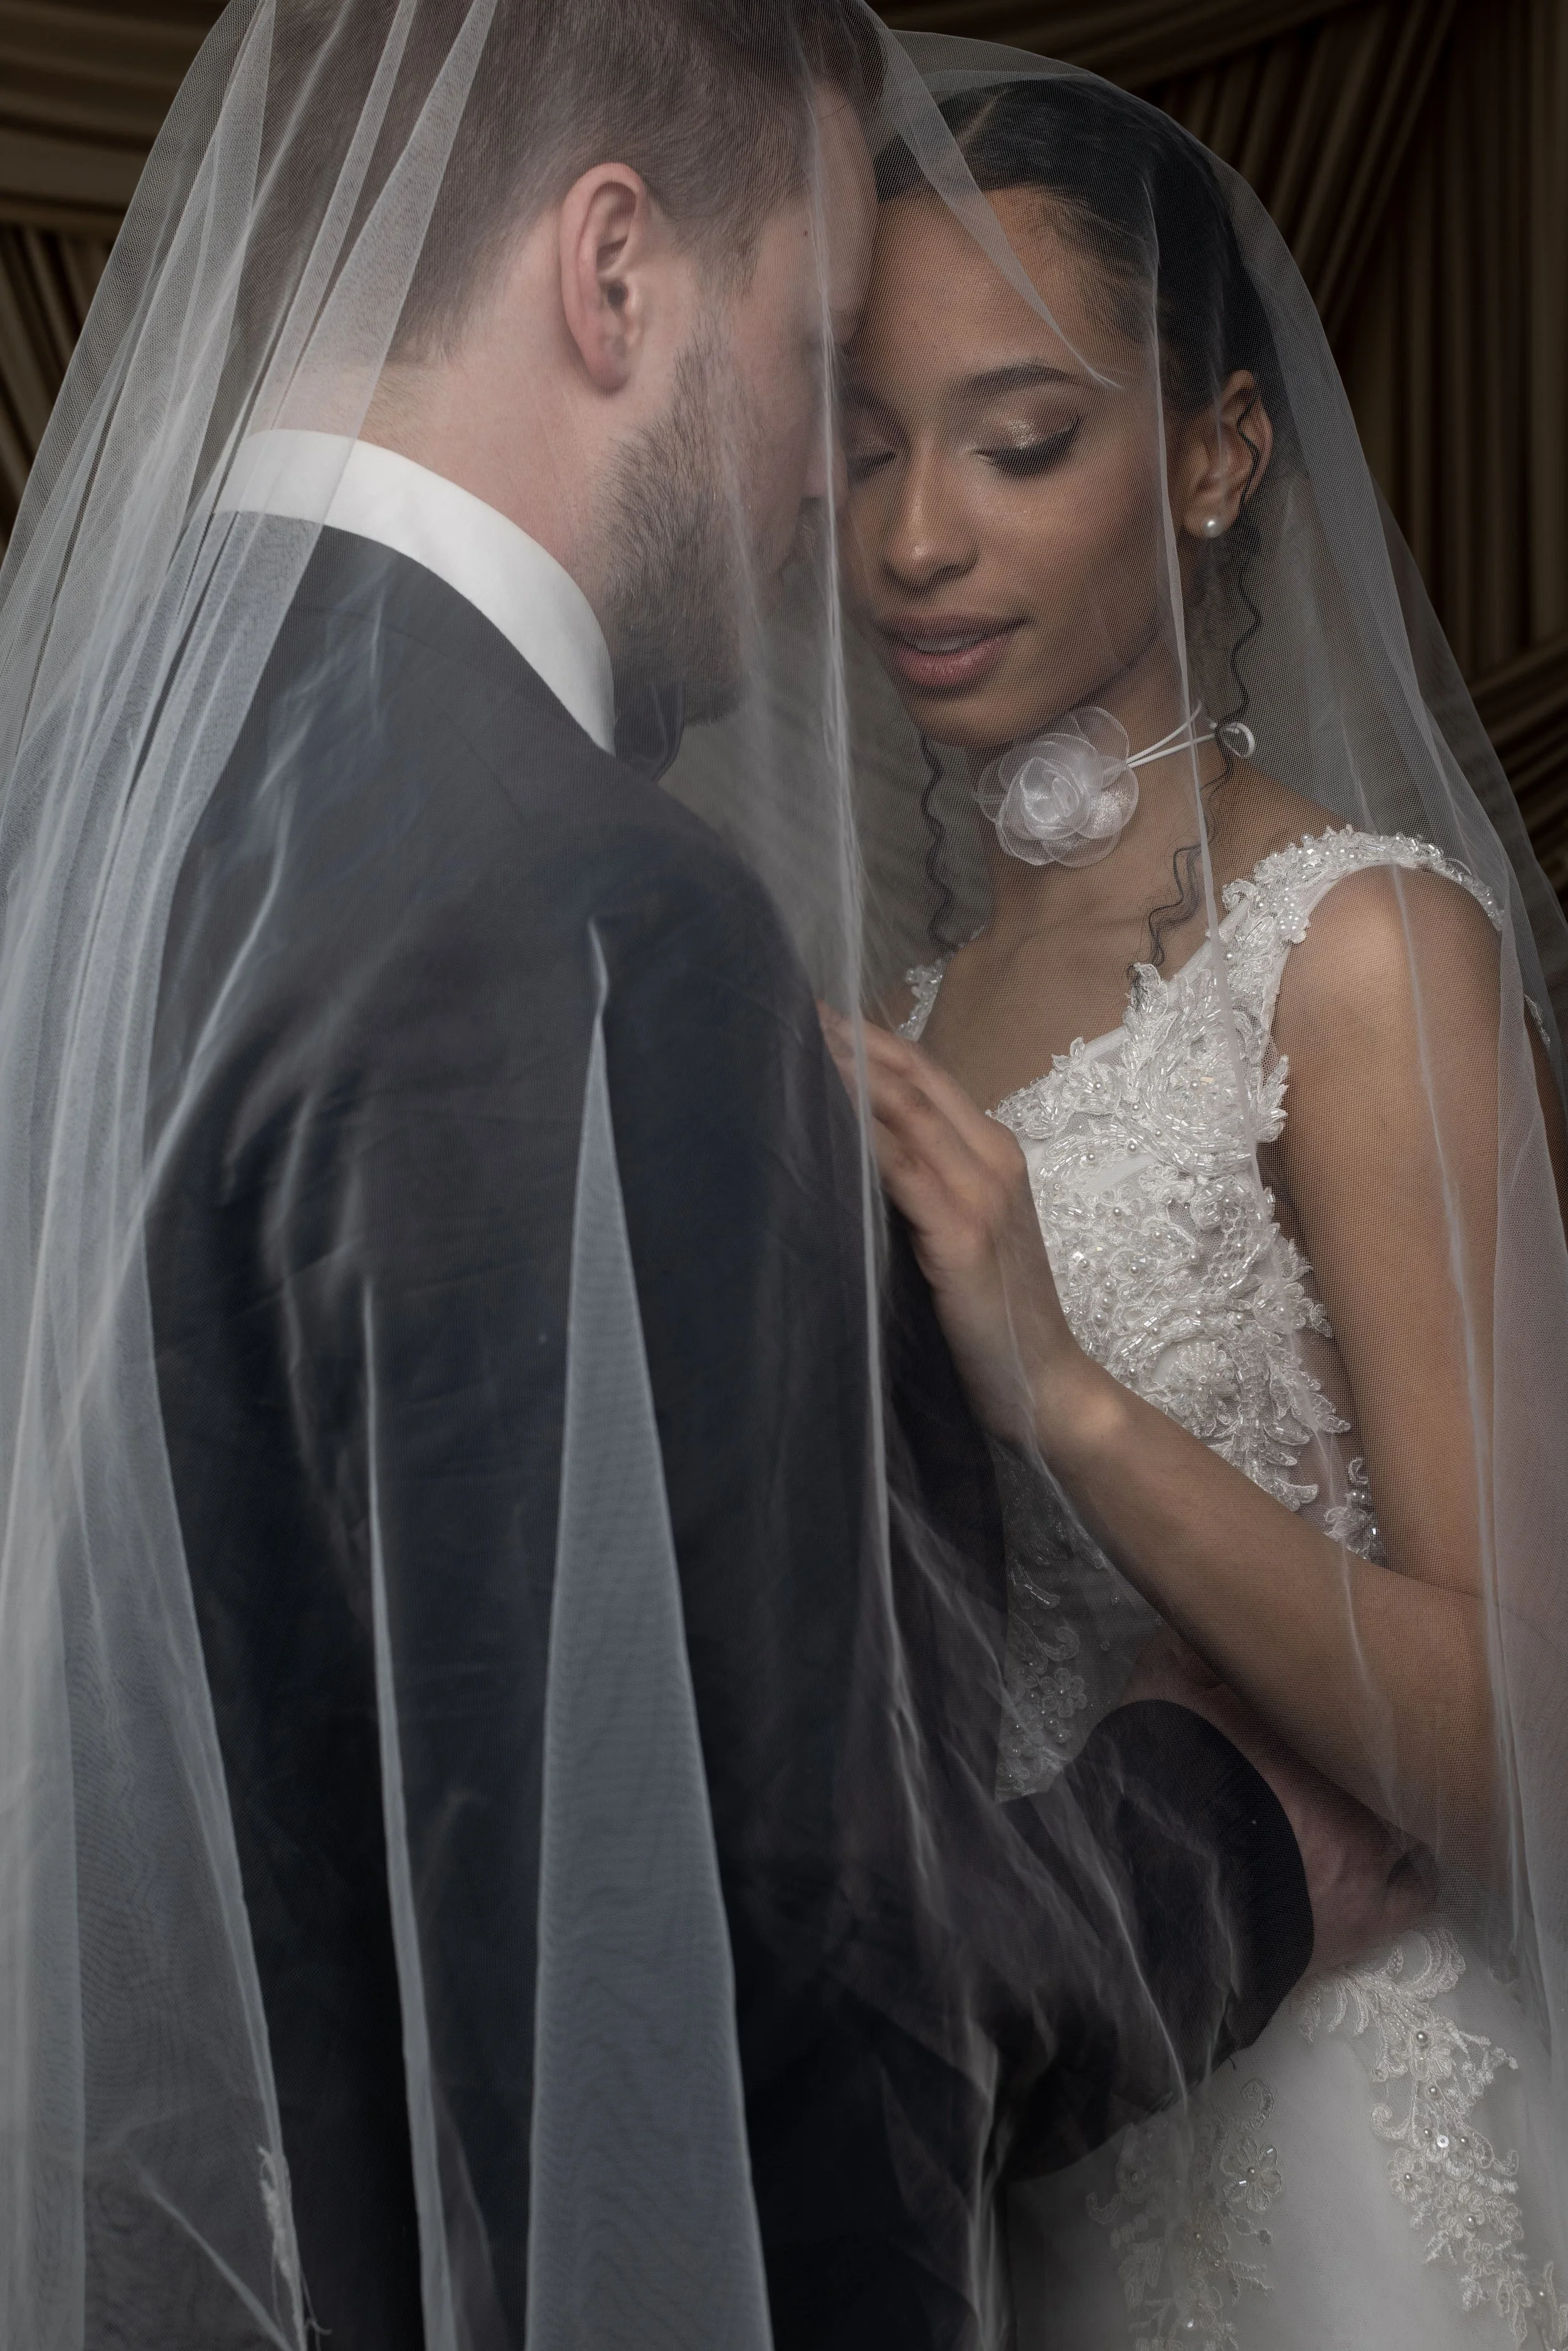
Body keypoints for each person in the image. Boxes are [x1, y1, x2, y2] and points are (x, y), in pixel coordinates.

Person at [0, 8, 1428, 2348]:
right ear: (615, 277)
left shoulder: (78, 800)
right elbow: (761, 2015)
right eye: (816, 350)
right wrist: (1224, 1838)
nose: (830, 501)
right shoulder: (597, 929)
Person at [835, 51, 1568, 2351]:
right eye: (864, 443)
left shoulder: (1352, 957)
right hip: (1036, 2140)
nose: (913, 538)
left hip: (1346, 2157)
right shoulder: (890, 1007)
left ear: (1227, 456)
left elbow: (1527, 1741)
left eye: (1018, 442)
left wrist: (1063, 1392)